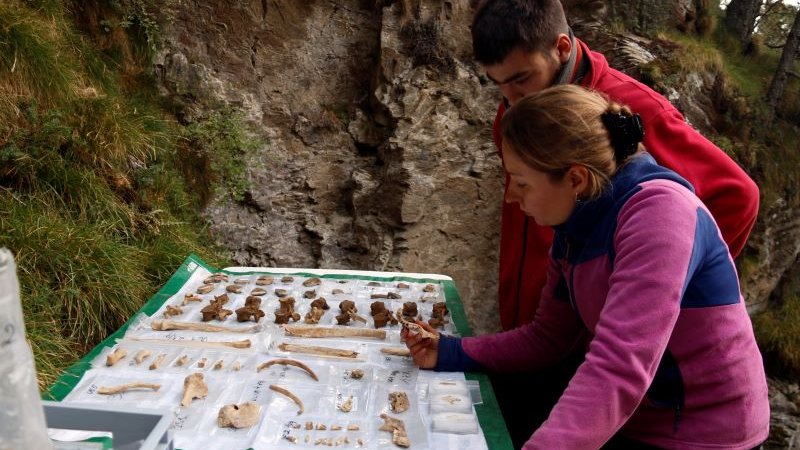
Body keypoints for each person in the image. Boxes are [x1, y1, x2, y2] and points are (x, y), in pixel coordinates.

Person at [403, 85, 770, 450]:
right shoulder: (576, 223)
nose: (511, 197)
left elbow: (617, 367)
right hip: (635, 414)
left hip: (704, 434)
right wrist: (451, 351)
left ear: (576, 179)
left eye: (521, 182)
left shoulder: (660, 215)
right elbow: (547, 338)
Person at [471, 2, 761, 445]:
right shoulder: (524, 114)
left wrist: (657, 288)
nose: (510, 98)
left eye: (520, 79)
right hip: (558, 324)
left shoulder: (634, 111)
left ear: (560, 48)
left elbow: (737, 195)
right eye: (498, 86)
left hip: (659, 391)